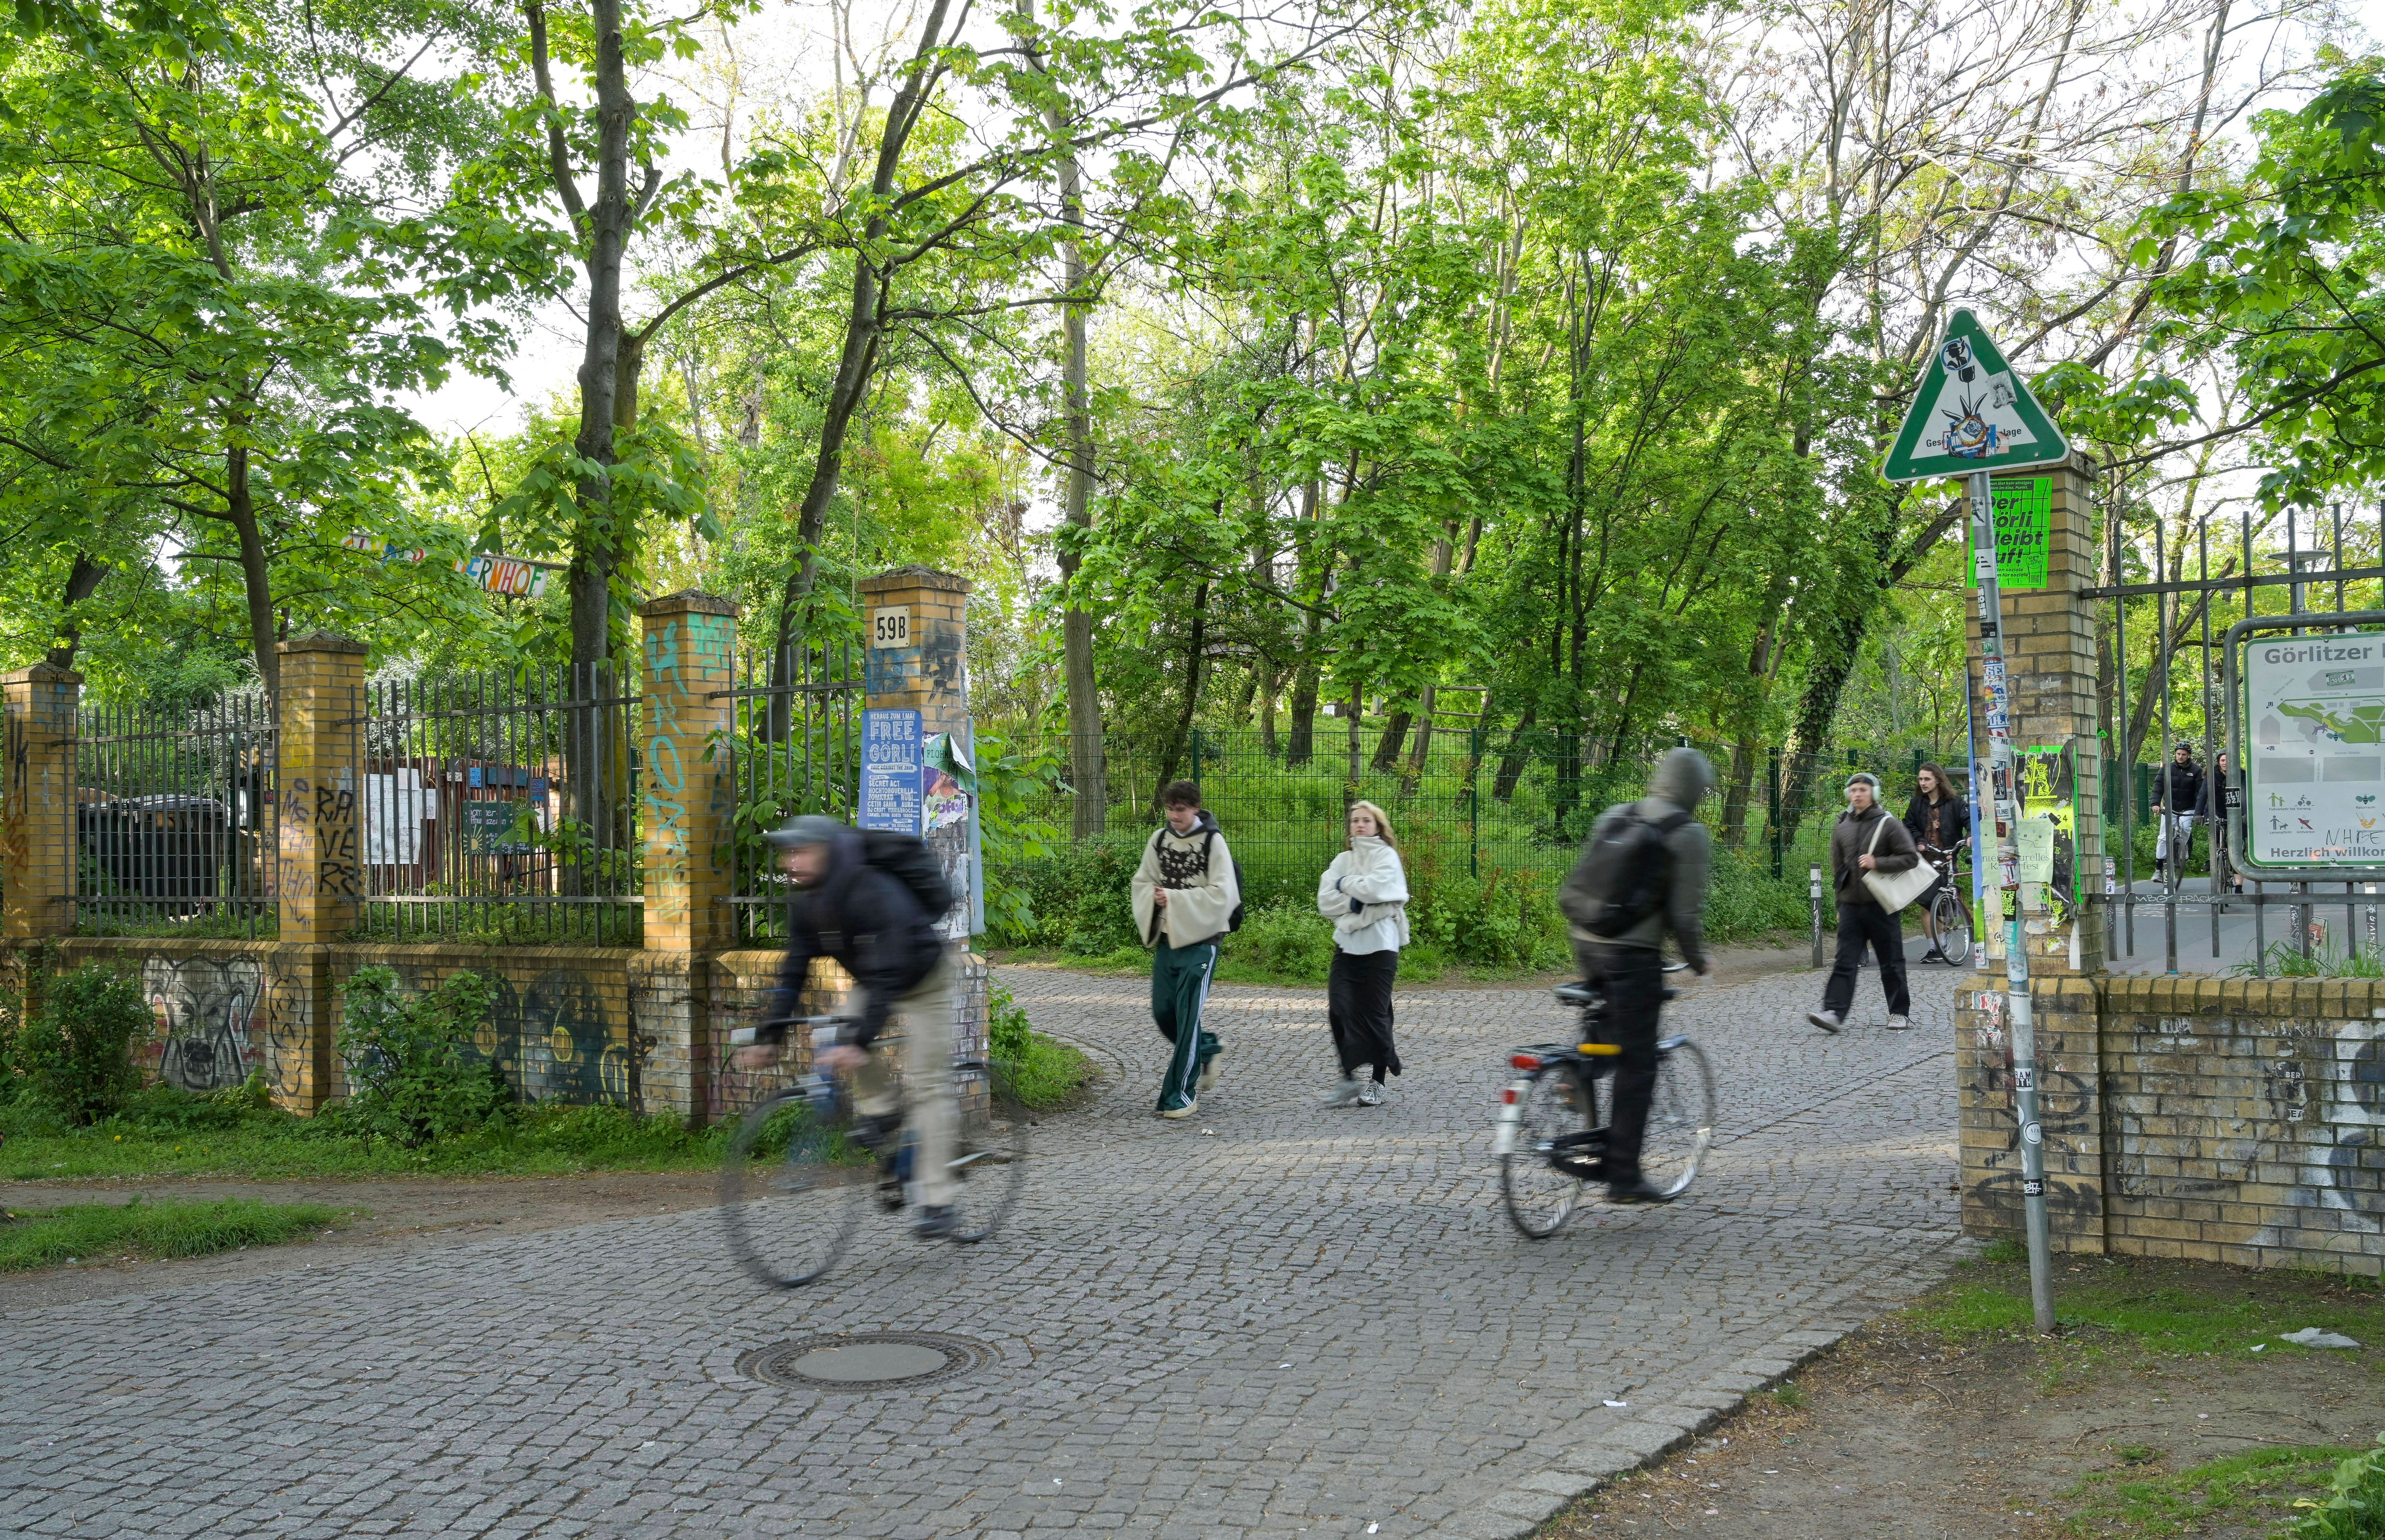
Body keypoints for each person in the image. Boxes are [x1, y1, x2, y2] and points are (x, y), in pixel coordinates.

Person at [734, 815, 959, 1238]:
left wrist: (859, 1040)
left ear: (827, 849)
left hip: (923, 979)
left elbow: (891, 970)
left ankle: (938, 1201)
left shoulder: (871, 888)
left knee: (929, 1083)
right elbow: (794, 971)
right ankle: (886, 1108)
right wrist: (771, 1036)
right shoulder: (810, 902)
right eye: (786, 853)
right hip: (876, 980)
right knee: (845, 1040)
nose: (789, 862)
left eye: (800, 851)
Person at [1559, 746, 1715, 1205]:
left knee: (1611, 1023)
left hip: (1587, 940)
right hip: (1633, 955)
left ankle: (1576, 1070)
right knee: (1639, 1062)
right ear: (1694, 790)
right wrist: (1699, 960)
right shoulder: (1688, 833)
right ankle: (1624, 1176)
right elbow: (1684, 915)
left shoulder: (1618, 814)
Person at [1132, 780, 1242, 1119]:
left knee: (1188, 1015)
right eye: (1169, 809)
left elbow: (1224, 894)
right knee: (1164, 1012)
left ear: (1195, 808)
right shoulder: (1159, 839)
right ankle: (1207, 1048)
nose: (1174, 816)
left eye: (1180, 810)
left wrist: (1175, 898)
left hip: (1203, 942)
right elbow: (1142, 881)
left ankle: (1180, 1094)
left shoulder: (1213, 842)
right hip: (1169, 940)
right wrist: (1154, 896)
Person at [1808, 772, 1920, 1035]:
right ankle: (1833, 1013)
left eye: (1863, 790)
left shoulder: (1888, 824)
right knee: (1844, 961)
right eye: (1854, 790)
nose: (1858, 794)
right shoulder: (1842, 826)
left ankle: (1899, 1012)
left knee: (1891, 962)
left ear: (1874, 793)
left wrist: (1877, 863)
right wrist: (1839, 905)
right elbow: (1838, 870)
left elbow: (1910, 858)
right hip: (1851, 907)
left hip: (1881, 905)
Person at [1316, 800, 1409, 1107]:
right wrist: (1357, 901)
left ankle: (1378, 1082)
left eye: (1366, 820)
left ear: (1378, 826)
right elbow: (1325, 901)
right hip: (1347, 944)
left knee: (1375, 1014)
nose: (1359, 824)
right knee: (1339, 1007)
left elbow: (1382, 890)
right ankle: (1347, 1079)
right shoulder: (1343, 860)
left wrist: (1345, 885)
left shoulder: (1387, 856)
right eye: (1355, 820)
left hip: (1381, 945)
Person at [1903, 762, 1967, 964]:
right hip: (1925, 861)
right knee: (1927, 905)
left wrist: (1970, 836)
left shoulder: (1955, 803)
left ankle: (1946, 937)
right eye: (1921, 779)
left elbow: (1969, 820)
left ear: (1938, 780)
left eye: (1927, 779)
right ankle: (1935, 948)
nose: (1923, 783)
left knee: (1942, 903)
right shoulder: (1917, 804)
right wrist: (1919, 841)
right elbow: (1908, 824)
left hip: (1947, 857)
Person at [2151, 741, 2205, 879]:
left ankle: (2184, 846)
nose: (2180, 757)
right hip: (2171, 807)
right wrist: (2156, 804)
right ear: (2175, 754)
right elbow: (2158, 786)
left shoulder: (2197, 771)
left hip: (2189, 808)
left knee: (2185, 828)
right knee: (2163, 837)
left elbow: (2200, 793)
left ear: (2189, 756)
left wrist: (2199, 811)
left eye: (2184, 755)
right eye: (2178, 754)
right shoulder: (2167, 769)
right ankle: (2158, 868)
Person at [2200, 749, 2245, 893]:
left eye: (2228, 760)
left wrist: (2245, 814)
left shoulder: (2242, 776)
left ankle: (2239, 887)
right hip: (2217, 812)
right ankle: (2213, 859)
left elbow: (2247, 796)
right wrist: (2198, 814)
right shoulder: (2212, 776)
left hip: (2237, 814)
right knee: (2217, 838)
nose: (2225, 763)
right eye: (2223, 761)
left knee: (2238, 849)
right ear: (2219, 762)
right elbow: (2203, 795)